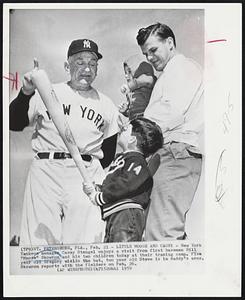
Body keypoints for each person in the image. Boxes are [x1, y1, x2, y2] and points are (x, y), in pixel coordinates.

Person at [9, 38, 119, 245]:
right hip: (46, 170)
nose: (87, 69)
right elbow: (13, 123)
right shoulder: (46, 92)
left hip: (84, 173)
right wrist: (25, 93)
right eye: (80, 62)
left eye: (92, 63)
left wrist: (88, 173)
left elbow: (109, 152)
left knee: (84, 242)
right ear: (67, 66)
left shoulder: (106, 104)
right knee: (38, 243)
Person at [136, 23, 204, 240]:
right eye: (146, 53)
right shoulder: (168, 74)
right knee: (159, 232)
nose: (149, 57)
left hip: (175, 153)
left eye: (153, 50)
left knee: (162, 235)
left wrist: (135, 130)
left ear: (170, 43)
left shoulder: (182, 67)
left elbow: (171, 113)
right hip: (167, 154)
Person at [83, 117, 163, 242]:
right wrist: (97, 189)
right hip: (115, 214)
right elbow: (115, 183)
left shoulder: (137, 161)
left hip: (126, 214)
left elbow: (126, 184)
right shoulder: (123, 159)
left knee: (122, 254)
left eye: (125, 129)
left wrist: (100, 197)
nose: (121, 130)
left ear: (132, 139)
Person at [118, 56, 156, 152]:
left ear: (138, 71)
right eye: (125, 73)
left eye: (129, 72)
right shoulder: (131, 92)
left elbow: (148, 80)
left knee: (144, 144)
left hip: (147, 122)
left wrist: (130, 85)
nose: (126, 76)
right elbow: (133, 110)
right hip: (136, 122)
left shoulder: (146, 81)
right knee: (135, 145)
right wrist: (126, 111)